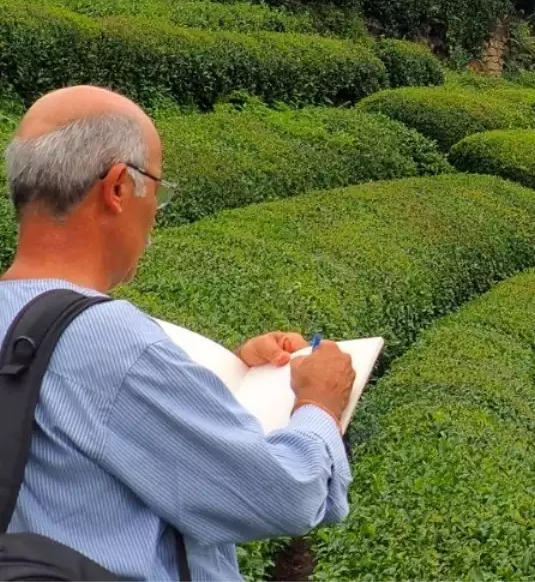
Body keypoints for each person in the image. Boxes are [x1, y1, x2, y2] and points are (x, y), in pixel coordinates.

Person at [0, 85, 357, 580]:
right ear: (118, 188)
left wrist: (228, 373)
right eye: (157, 189)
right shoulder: (114, 344)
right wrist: (320, 402)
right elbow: (286, 494)